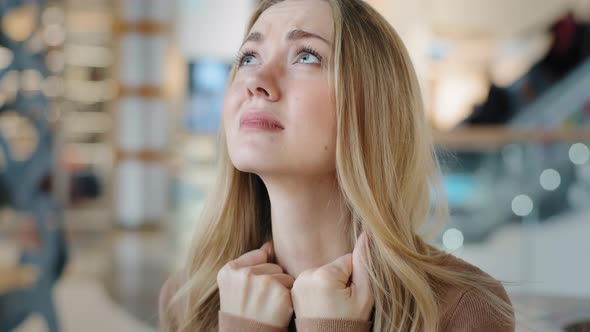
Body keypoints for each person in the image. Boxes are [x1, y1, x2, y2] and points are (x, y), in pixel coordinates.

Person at [159, 0, 515, 331]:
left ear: (373, 106)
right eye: (249, 57)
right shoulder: (188, 299)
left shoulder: (464, 310)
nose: (255, 81)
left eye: (306, 56)